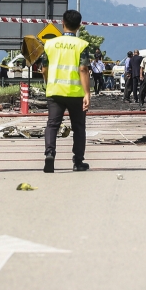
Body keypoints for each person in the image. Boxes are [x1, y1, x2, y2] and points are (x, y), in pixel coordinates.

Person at [43, 9, 92, 172]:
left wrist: (48, 83)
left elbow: (44, 69)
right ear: (79, 26)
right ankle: (78, 162)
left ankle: (50, 154)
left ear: (62, 23)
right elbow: (83, 69)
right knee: (78, 127)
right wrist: (87, 94)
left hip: (55, 92)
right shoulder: (81, 45)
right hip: (75, 93)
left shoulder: (49, 44)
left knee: (52, 125)